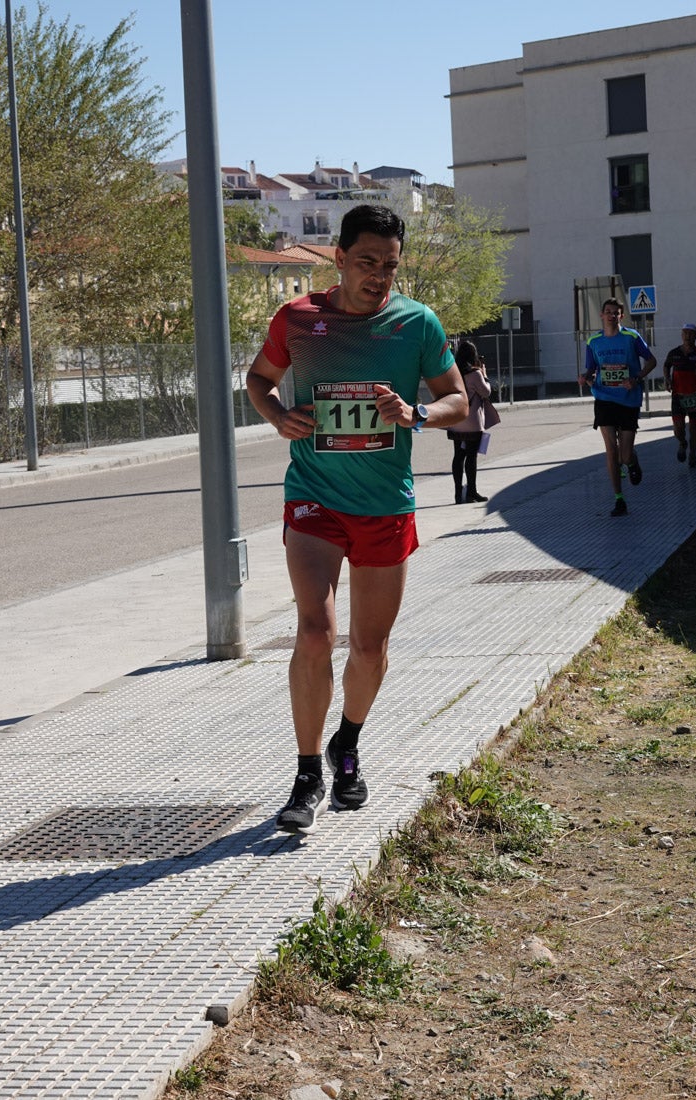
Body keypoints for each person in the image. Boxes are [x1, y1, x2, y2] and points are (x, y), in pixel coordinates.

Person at [246, 204, 468, 835]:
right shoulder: (297, 318)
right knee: (315, 632)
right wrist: (275, 415)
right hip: (314, 498)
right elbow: (258, 380)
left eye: (390, 266)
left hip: (384, 505)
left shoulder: (416, 323)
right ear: (338, 257)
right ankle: (307, 771)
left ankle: (349, 743)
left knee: (370, 647)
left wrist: (418, 415)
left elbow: (458, 398)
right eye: (367, 262)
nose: (379, 276)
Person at [579, 297, 656, 516]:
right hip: (603, 398)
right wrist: (584, 377)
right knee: (611, 450)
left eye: (616, 312)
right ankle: (619, 499)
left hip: (628, 399)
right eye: (608, 312)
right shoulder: (593, 341)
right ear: (602, 315)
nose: (612, 316)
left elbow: (651, 361)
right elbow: (591, 368)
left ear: (621, 316)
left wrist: (637, 378)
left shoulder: (632, 337)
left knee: (624, 455)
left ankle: (632, 461)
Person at [446, 339, 494, 503]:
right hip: (473, 422)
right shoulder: (475, 373)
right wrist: (484, 374)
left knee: (458, 456)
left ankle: (458, 493)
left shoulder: (453, 373)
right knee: (471, 457)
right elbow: (486, 392)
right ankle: (472, 491)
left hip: (456, 420)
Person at [663, 323, 696, 468]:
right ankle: (682, 442)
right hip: (678, 396)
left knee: (694, 429)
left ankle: (693, 454)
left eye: (691, 333)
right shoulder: (674, 353)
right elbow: (666, 365)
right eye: (685, 333)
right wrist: (667, 379)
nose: (688, 336)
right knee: (678, 429)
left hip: (695, 396)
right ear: (681, 335)